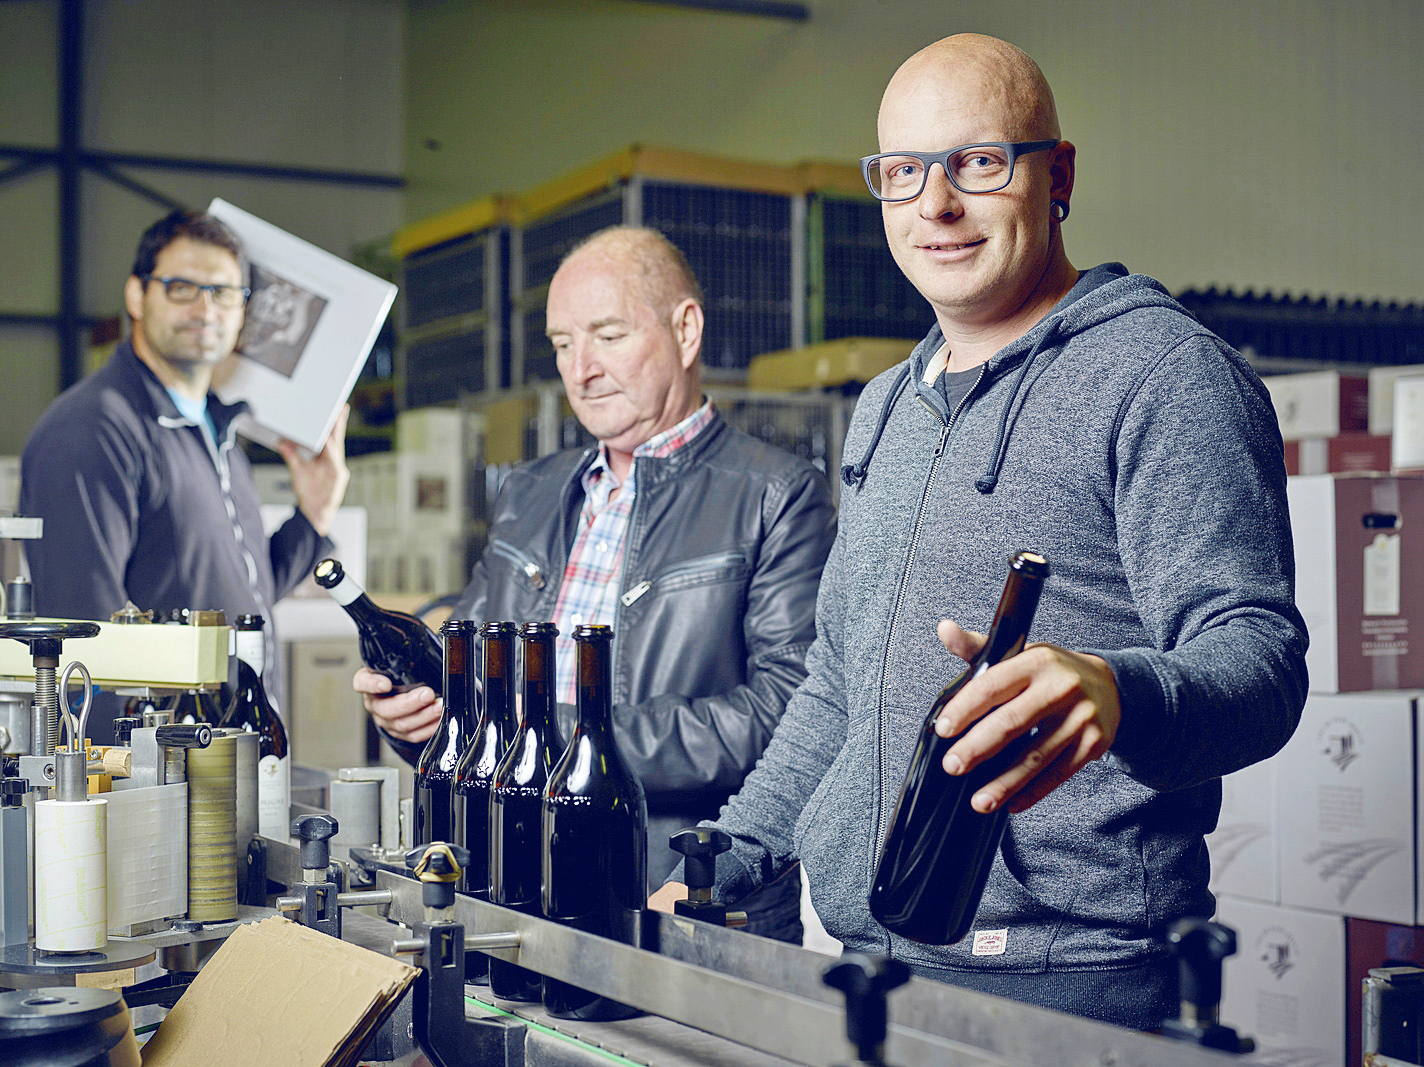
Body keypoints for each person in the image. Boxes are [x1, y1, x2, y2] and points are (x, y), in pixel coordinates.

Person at [651, 34, 1308, 1029]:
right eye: (903, 173)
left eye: (978, 163)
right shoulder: (884, 405)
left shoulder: (1164, 377)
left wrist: (1118, 690)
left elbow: (1259, 658)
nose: (935, 207)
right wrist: (730, 852)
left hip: (1069, 979)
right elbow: (838, 682)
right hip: (872, 959)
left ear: (1059, 175)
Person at [357, 225, 836, 942]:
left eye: (607, 336)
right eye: (561, 344)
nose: (580, 370)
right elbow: (479, 696)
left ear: (686, 329)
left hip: (678, 890)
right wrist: (420, 718)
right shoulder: (531, 490)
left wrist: (577, 746)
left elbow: (787, 711)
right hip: (514, 886)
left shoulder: (777, 495)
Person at [21, 210, 349, 737]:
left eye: (224, 293)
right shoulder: (93, 429)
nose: (205, 308)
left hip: (229, 757)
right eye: (181, 288)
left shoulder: (215, 433)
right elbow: (85, 639)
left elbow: (242, 595)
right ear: (136, 295)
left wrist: (313, 513)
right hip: (159, 774)